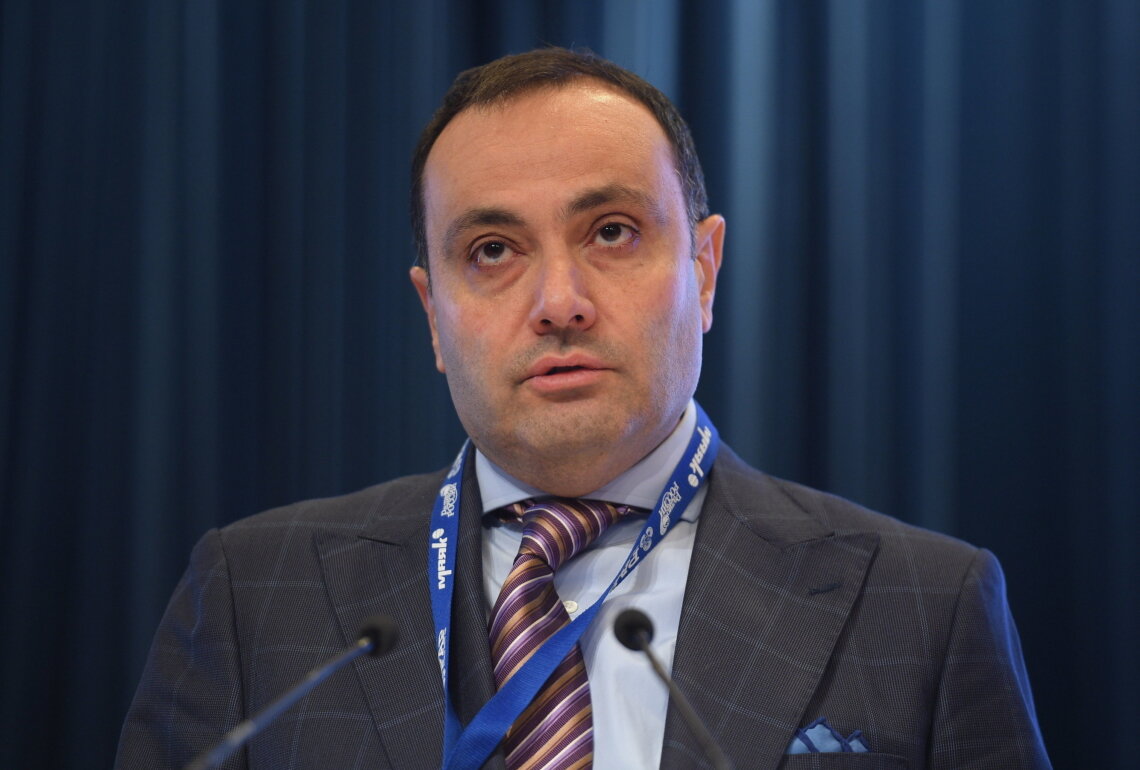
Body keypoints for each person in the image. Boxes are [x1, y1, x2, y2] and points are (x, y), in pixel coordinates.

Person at [116, 47, 1050, 770]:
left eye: (611, 232)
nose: (559, 301)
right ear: (432, 314)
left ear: (705, 271)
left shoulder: (923, 606)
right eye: (492, 250)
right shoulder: (254, 596)